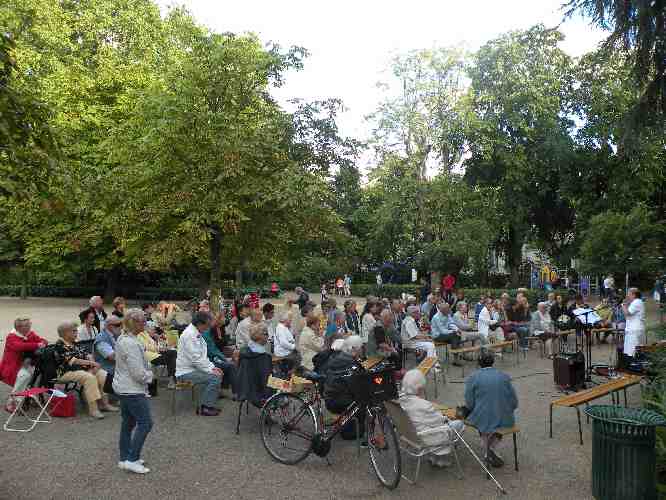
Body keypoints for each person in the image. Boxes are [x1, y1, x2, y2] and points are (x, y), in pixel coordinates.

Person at [113, 308, 154, 474]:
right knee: (146, 423)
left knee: (128, 423)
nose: (146, 323)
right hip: (132, 390)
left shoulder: (125, 338)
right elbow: (138, 373)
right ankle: (132, 459)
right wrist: (150, 375)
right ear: (134, 323)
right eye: (143, 320)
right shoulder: (130, 343)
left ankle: (125, 458)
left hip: (125, 388)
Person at [400, 369, 465, 468]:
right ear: (419, 388)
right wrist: (446, 418)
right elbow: (440, 421)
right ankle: (440, 459)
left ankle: (434, 457)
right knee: (459, 424)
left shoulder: (400, 401)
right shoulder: (424, 405)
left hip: (410, 436)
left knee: (433, 425)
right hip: (426, 438)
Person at [464, 352, 518, 468]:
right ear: (493, 362)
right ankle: (492, 448)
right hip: (504, 416)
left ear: (479, 363)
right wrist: (510, 409)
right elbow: (513, 400)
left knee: (481, 419)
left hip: (483, 417)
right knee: (500, 422)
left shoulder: (472, 377)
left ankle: (487, 447)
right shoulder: (504, 376)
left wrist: (472, 410)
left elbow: (469, 402)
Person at [55, 320, 118, 418]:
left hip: (80, 370)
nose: (76, 333)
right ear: (65, 333)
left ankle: (104, 404)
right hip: (65, 372)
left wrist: (92, 364)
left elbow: (87, 354)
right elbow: (74, 361)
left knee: (102, 374)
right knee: (89, 377)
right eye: (74, 331)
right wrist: (92, 364)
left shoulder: (74, 343)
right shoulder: (60, 345)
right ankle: (93, 409)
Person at [175, 312, 223, 416]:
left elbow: (201, 357)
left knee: (217, 373)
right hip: (185, 373)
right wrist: (211, 370)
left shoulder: (195, 332)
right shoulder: (190, 335)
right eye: (207, 325)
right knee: (215, 377)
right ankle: (205, 407)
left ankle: (207, 403)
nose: (208, 328)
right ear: (200, 324)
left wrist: (213, 367)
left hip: (192, 369)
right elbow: (196, 359)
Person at [0, 317, 47, 412]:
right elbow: (19, 346)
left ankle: (32, 397)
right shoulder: (11, 337)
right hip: (12, 366)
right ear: (18, 327)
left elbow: (43, 340)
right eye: (26, 326)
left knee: (40, 373)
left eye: (29, 325)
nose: (29, 327)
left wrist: (42, 343)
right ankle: (12, 402)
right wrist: (37, 345)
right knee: (24, 376)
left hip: (26, 364)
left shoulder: (30, 333)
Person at [324, 336, 366, 439]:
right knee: (363, 400)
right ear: (354, 349)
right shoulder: (350, 363)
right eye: (360, 348)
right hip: (338, 400)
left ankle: (348, 425)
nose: (362, 350)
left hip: (329, 397)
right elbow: (356, 385)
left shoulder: (338, 357)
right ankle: (353, 432)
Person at [137, 322, 177, 390]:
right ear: (147, 328)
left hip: (155, 353)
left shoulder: (146, 334)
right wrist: (158, 348)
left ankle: (172, 378)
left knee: (173, 353)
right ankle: (172, 379)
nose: (154, 331)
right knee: (172, 356)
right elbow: (145, 347)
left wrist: (158, 344)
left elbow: (153, 345)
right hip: (150, 356)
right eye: (152, 329)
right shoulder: (139, 335)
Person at [622, 288, 646, 358]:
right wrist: (627, 304)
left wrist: (623, 305)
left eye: (629, 294)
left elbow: (627, 313)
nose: (627, 296)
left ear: (634, 295)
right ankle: (631, 365)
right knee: (629, 351)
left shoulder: (637, 302)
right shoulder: (635, 302)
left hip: (634, 330)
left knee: (633, 352)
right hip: (631, 329)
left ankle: (634, 365)